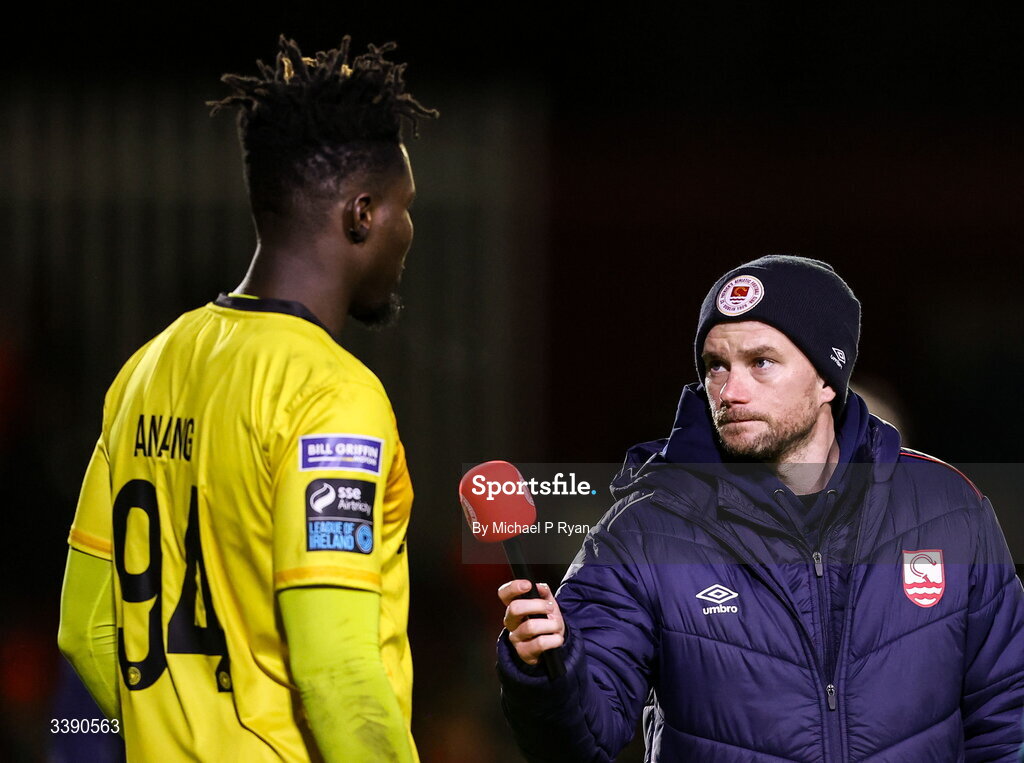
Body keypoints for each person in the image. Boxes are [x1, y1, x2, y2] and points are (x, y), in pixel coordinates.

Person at [57, 35, 437, 761]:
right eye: (404, 208)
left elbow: (86, 627)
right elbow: (339, 673)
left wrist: (179, 732)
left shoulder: (146, 368)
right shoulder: (333, 398)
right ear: (361, 214)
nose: (408, 231)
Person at [497, 255, 1024, 761]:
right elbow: (583, 739)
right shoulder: (645, 530)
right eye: (716, 366)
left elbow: (1006, 719)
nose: (730, 389)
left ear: (825, 379)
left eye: (761, 362)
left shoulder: (948, 508)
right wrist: (550, 670)